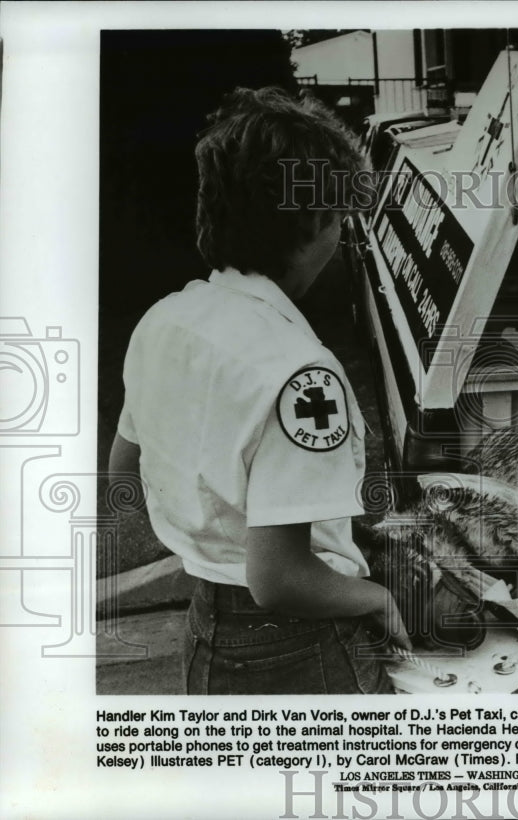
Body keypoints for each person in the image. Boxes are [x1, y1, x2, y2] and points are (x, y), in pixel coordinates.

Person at [109, 87, 410, 695]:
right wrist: (373, 599)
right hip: (299, 648)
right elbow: (280, 579)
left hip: (206, 633)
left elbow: (124, 469)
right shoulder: (302, 373)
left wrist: (210, 530)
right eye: (339, 219)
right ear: (314, 220)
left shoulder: (164, 320)